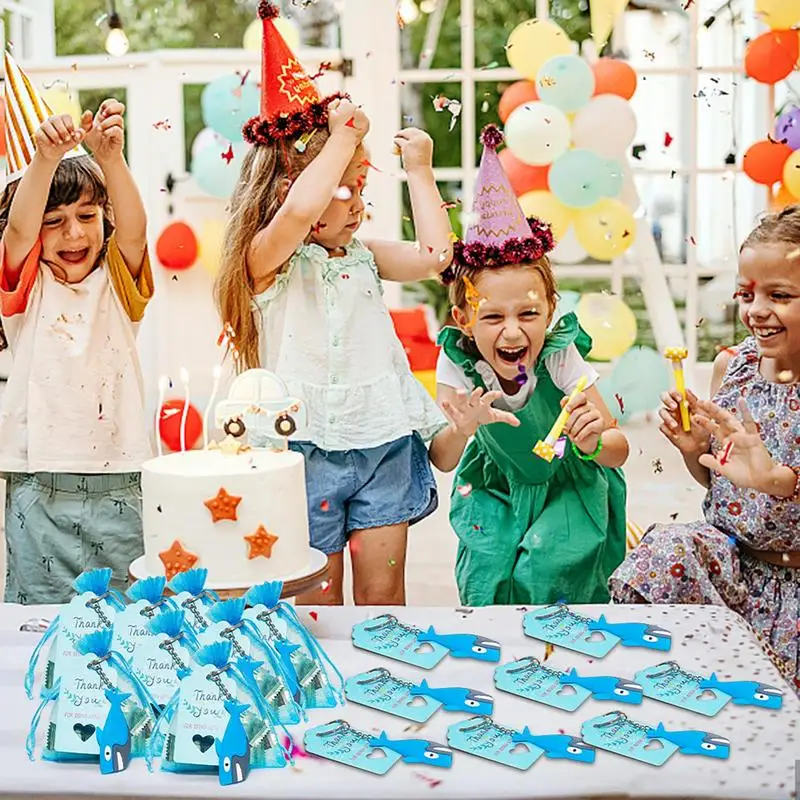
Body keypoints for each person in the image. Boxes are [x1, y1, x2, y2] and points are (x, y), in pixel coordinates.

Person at [215, 3, 450, 606]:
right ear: (290, 182)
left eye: (363, 188)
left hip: (382, 441)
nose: (358, 204)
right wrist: (343, 136)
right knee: (315, 599)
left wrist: (420, 173)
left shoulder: (364, 255)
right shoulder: (267, 260)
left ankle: (380, 688)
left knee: (383, 594)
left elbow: (432, 256)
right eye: (348, 188)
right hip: (302, 447)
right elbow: (297, 213)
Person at [429, 125, 629, 606]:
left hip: (566, 481)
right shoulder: (459, 361)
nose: (513, 332)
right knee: (489, 570)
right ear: (463, 319)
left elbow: (618, 449)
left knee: (549, 565)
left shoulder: (559, 353)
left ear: (550, 312)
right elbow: (443, 458)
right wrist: (463, 427)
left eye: (529, 315)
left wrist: (592, 440)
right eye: (492, 317)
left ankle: (560, 659)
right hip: (495, 483)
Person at [610, 205, 800, 692]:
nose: (756, 310)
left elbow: (770, 485)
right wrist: (695, 450)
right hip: (734, 566)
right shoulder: (731, 368)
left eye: (779, 295)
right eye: (747, 293)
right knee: (667, 547)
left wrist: (779, 481)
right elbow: (722, 483)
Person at [0, 54, 153, 604]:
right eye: (55, 220)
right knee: (39, 624)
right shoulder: (25, 287)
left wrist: (110, 159)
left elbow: (134, 227)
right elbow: (19, 230)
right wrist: (44, 161)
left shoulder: (118, 280)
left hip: (125, 479)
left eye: (87, 216)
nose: (73, 233)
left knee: (130, 621)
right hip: (39, 483)